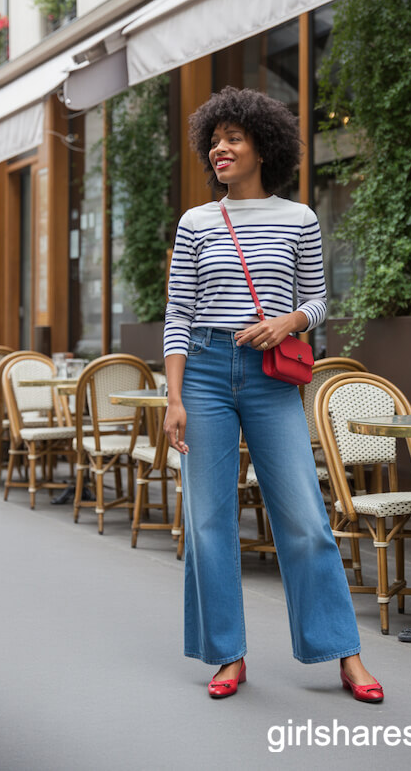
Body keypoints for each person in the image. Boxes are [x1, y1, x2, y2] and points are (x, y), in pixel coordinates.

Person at [163, 86, 383, 703]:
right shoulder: (197, 222)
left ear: (264, 146)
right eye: (215, 140)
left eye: (233, 138)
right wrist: (174, 398)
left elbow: (317, 299)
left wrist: (289, 322)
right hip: (204, 371)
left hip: (270, 379)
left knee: (306, 518)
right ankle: (226, 654)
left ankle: (345, 653)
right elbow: (178, 313)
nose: (220, 149)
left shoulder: (299, 219)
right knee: (207, 520)